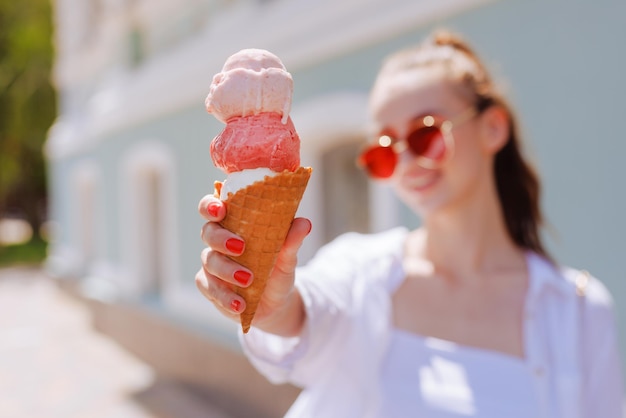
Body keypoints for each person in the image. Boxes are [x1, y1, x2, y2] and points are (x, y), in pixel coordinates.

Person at [196, 30, 624, 417]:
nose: (404, 161)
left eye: (425, 135)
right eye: (383, 148)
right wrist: (274, 307)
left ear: (493, 128)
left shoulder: (580, 313)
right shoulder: (360, 267)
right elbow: (307, 317)